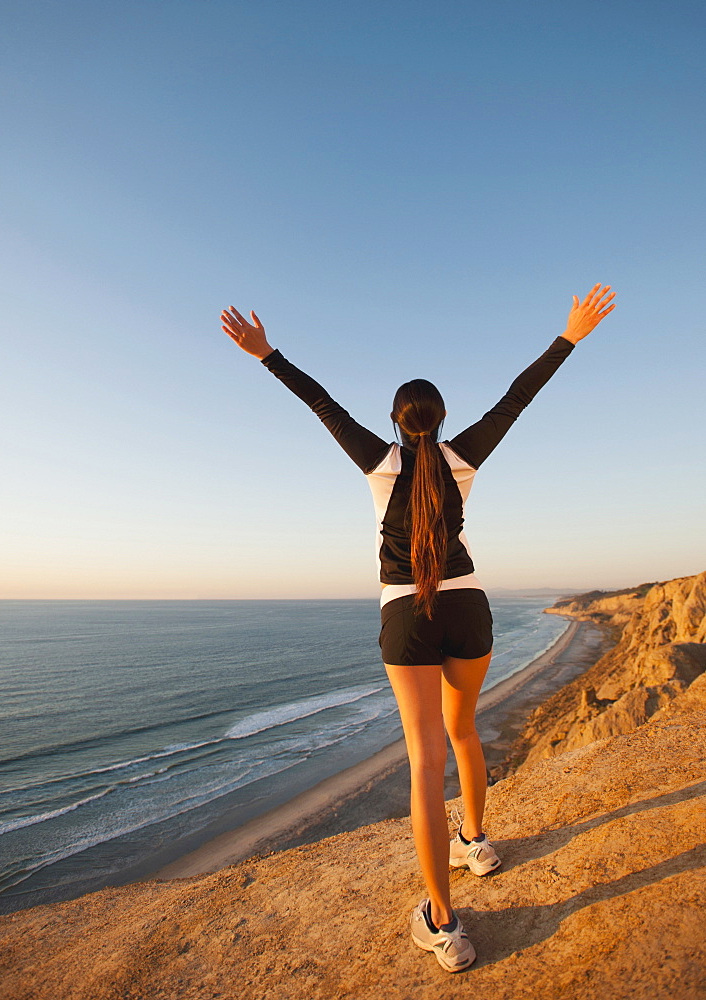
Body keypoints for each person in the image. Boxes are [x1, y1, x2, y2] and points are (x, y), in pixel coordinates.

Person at [220, 284, 616, 973]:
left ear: (398, 423)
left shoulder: (381, 462)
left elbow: (322, 406)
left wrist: (266, 354)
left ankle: (441, 921)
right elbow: (515, 400)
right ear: (440, 419)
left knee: (425, 760)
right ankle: (476, 841)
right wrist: (569, 336)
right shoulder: (463, 459)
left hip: (406, 615)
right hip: (469, 607)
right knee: (464, 731)